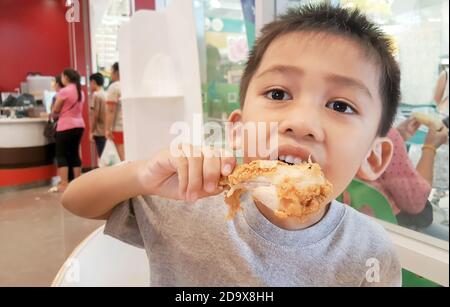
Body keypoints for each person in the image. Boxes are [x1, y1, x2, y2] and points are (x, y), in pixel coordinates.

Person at [62, 4, 402, 286]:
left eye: (341, 106)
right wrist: (141, 174)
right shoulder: (188, 201)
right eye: (278, 94)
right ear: (237, 131)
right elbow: (75, 200)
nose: (300, 123)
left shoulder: (370, 253)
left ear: (374, 155)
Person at [50, 68, 85, 193]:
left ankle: (64, 183)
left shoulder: (64, 91)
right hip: (79, 125)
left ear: (66, 77)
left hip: (65, 125)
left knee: (61, 154)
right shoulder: (80, 91)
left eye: (62, 76)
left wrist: (54, 112)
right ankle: (77, 182)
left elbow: (56, 108)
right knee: (74, 153)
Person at [105, 62, 125, 161]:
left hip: (118, 128)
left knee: (123, 159)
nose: (110, 73)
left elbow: (111, 110)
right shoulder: (127, 85)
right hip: (129, 127)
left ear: (116, 72)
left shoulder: (114, 87)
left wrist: (107, 129)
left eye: (111, 71)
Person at [89, 72, 107, 158]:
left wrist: (91, 131)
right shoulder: (105, 94)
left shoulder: (96, 95)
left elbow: (95, 115)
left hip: (99, 132)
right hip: (106, 131)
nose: (90, 85)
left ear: (93, 82)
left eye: (90, 83)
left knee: (102, 157)